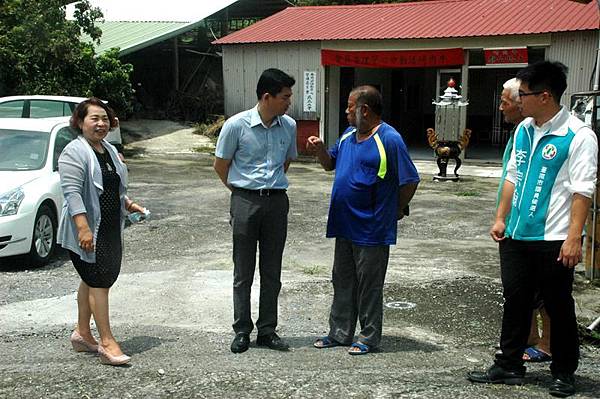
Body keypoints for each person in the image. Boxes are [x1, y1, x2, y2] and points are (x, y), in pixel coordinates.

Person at [468, 61, 598, 397]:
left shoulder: (579, 136)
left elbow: (583, 191)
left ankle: (564, 371)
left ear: (544, 96)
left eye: (522, 95)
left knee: (558, 305)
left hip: (553, 239)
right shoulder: (524, 129)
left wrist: (574, 239)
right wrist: (501, 218)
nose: (517, 100)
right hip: (516, 235)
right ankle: (509, 364)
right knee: (515, 301)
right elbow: (513, 175)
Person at [306, 85, 419, 355]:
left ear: (364, 110)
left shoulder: (389, 139)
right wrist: (320, 149)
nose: (346, 111)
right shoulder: (347, 135)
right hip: (343, 224)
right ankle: (340, 332)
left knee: (369, 285)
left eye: (349, 106)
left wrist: (395, 209)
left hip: (372, 228)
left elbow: (410, 180)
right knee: (342, 280)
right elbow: (329, 164)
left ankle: (368, 337)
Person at [214, 68, 297, 354]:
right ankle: (241, 330)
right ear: (267, 97)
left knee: (272, 270)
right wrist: (243, 194)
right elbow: (221, 166)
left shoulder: (289, 126)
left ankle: (267, 330)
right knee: (243, 271)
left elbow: (285, 162)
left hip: (276, 202)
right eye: (285, 97)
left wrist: (268, 189)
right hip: (245, 201)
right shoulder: (236, 126)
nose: (289, 102)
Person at [57, 98, 146, 366]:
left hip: (108, 227)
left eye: (105, 119)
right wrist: (83, 229)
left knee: (92, 278)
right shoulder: (74, 152)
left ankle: (83, 333)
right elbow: (72, 194)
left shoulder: (107, 149)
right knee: (99, 281)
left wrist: (128, 203)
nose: (101, 123)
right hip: (86, 230)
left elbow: (113, 187)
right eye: (94, 118)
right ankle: (106, 342)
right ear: (80, 122)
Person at [499, 78, 552, 363]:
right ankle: (527, 339)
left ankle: (547, 344)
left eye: (506, 102)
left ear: (523, 104)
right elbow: (511, 177)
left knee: (545, 293)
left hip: (542, 229)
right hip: (514, 223)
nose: (501, 108)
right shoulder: (520, 133)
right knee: (519, 290)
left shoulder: (556, 134)